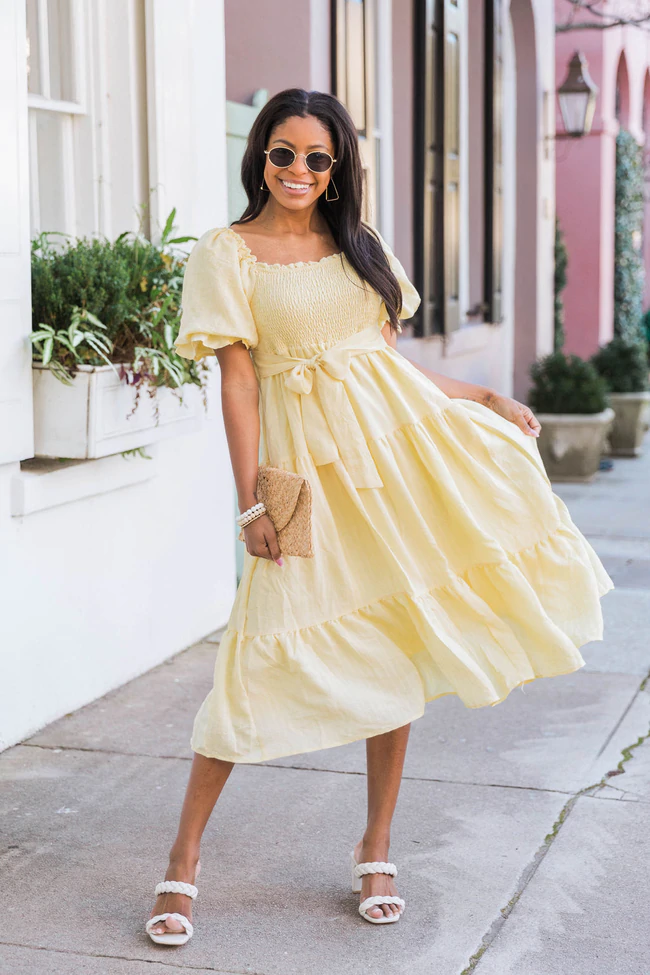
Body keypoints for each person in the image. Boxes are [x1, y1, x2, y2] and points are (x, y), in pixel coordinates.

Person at [146, 88, 613, 942]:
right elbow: (241, 383)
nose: (297, 170)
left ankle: (377, 843)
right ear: (259, 157)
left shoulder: (359, 246)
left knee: (399, 639)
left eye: (316, 158)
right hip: (304, 477)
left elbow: (389, 368)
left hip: (395, 462)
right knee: (256, 651)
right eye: (282, 153)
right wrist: (252, 497)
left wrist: (481, 397)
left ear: (337, 170)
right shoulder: (227, 253)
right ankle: (182, 859)